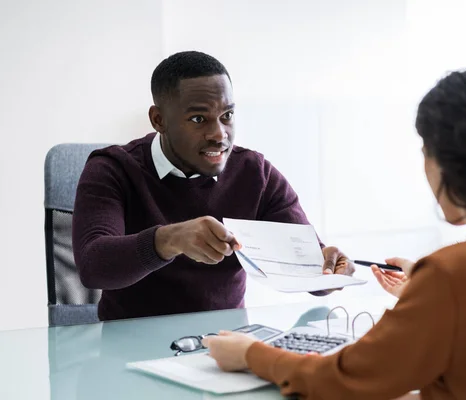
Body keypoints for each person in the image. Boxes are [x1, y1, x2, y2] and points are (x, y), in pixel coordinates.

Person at [203, 67, 466, 399]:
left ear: (445, 165)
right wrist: (424, 295)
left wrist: (252, 354)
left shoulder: (451, 277)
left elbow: (346, 379)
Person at [72, 51, 354, 322]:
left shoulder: (256, 174)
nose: (220, 135)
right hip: (128, 350)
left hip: (225, 346)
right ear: (159, 120)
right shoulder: (113, 169)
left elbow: (311, 270)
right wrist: (170, 240)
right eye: (198, 119)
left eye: (227, 116)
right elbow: (93, 265)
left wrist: (329, 270)